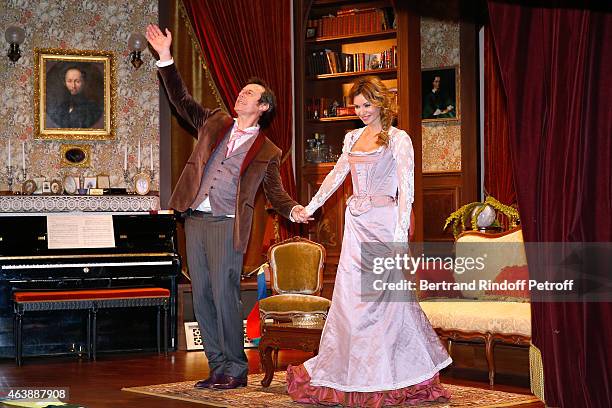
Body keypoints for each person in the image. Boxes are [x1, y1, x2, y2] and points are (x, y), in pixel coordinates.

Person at [145, 24, 306, 390]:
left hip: (227, 225)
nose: (241, 95)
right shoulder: (215, 122)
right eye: (241, 91)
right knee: (201, 296)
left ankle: (236, 367)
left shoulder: (268, 151)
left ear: (262, 106)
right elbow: (181, 100)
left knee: (224, 294)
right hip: (195, 219)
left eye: (249, 93)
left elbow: (276, 193)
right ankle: (217, 366)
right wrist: (166, 58)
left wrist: (293, 209)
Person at [288, 76, 452, 406]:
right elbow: (336, 176)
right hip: (356, 225)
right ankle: (353, 375)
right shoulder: (351, 137)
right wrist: (310, 206)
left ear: (381, 102)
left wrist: (399, 237)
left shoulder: (398, 138)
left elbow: (406, 191)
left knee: (384, 304)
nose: (362, 111)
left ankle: (390, 376)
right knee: (352, 303)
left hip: (384, 222)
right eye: (358, 105)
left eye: (367, 104)